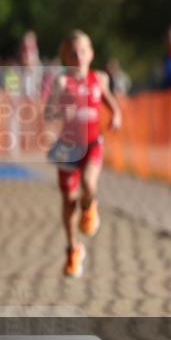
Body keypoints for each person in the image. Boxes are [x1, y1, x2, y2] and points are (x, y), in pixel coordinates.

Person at [44, 30, 122, 278]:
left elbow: (110, 101)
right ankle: (73, 248)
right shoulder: (62, 82)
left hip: (92, 143)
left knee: (89, 182)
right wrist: (60, 113)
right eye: (73, 52)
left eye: (83, 51)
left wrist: (117, 115)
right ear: (65, 56)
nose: (78, 56)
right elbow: (48, 113)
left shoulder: (99, 78)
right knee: (68, 200)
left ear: (91, 54)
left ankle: (89, 207)